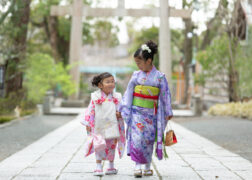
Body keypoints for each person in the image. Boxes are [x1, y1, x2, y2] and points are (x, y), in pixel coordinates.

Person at [119, 40, 173, 177]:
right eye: (136, 63)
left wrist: (168, 111)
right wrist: (124, 108)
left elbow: (165, 94)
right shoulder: (136, 75)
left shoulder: (160, 77)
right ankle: (137, 166)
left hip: (152, 114)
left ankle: (148, 166)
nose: (137, 65)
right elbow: (129, 92)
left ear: (149, 60)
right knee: (137, 139)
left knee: (148, 140)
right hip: (137, 112)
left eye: (139, 62)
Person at [81, 72, 125, 176]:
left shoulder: (117, 97)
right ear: (100, 85)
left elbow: (122, 109)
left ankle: (111, 166)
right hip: (99, 125)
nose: (111, 84)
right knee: (99, 145)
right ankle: (98, 166)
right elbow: (90, 110)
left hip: (112, 125)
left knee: (111, 146)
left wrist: (121, 114)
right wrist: (88, 122)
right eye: (108, 82)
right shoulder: (96, 97)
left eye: (113, 81)